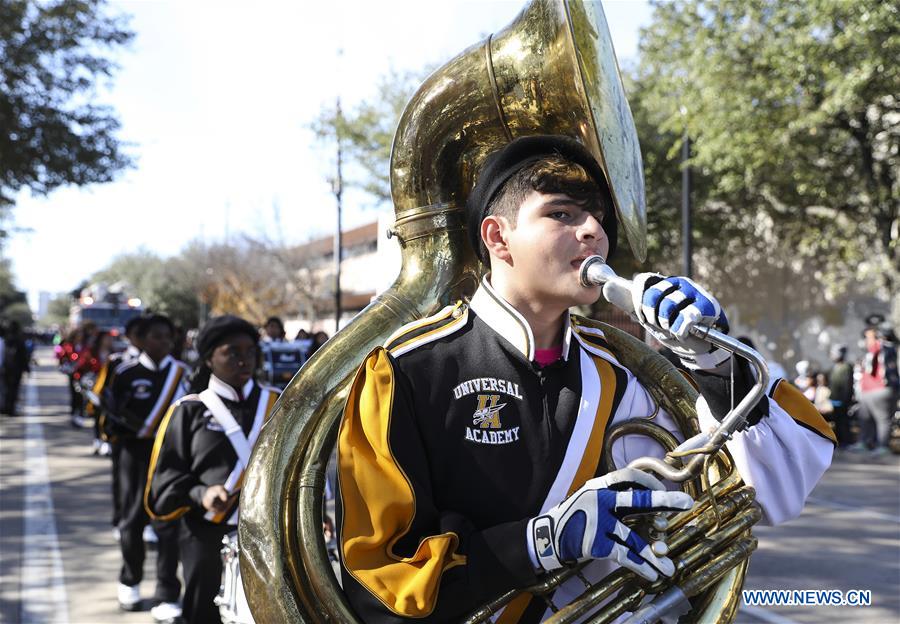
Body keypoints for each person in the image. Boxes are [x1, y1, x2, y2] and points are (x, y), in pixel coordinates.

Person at [335, 135, 835, 623]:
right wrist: (538, 544)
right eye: (562, 214)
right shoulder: (404, 370)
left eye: (597, 217)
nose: (594, 230)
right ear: (497, 237)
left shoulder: (624, 373)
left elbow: (771, 490)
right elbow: (378, 591)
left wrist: (714, 362)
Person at [146, 315, 279, 624]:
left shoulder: (278, 402)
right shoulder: (189, 409)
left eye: (249, 351)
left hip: (265, 534)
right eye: (232, 352)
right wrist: (201, 492)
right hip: (205, 534)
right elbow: (164, 479)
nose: (243, 360)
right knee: (203, 614)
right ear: (209, 358)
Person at [108, 314, 189, 620]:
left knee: (169, 523)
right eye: (156, 337)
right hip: (134, 455)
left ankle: (168, 591)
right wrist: (125, 427)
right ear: (142, 339)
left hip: (171, 459)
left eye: (168, 338)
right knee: (131, 521)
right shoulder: (125, 372)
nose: (163, 343)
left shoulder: (183, 374)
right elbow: (107, 419)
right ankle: (130, 579)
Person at [856, 315, 899, 456]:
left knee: (882, 419)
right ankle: (866, 442)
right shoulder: (876, 349)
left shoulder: (885, 347)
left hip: (881, 388)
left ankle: (882, 445)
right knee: (866, 418)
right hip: (869, 390)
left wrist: (872, 334)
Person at [827, 344, 854, 448]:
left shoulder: (846, 367)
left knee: (843, 422)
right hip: (835, 400)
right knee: (837, 422)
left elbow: (847, 385)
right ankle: (838, 440)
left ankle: (845, 441)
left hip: (842, 401)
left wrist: (845, 399)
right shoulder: (835, 367)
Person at [2, 321, 31, 416]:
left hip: (6, 368)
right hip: (16, 369)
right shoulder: (19, 340)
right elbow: (23, 356)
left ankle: (6, 407)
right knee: (14, 389)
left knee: (6, 389)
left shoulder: (5, 340)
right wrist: (27, 368)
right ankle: (11, 409)